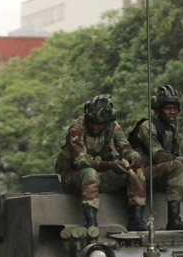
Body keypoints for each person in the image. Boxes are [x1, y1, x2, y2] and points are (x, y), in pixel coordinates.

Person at [55, 95, 148, 231]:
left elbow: (125, 147)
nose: (94, 126)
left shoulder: (113, 127)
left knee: (135, 169)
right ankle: (91, 222)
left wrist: (134, 156)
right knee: (90, 173)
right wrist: (109, 165)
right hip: (73, 177)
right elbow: (81, 162)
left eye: (100, 123)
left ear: (108, 121)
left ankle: (136, 218)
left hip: (101, 176)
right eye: (91, 121)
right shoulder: (76, 128)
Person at [128, 85, 183, 231]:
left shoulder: (172, 130)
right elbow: (159, 156)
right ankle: (174, 219)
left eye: (175, 108)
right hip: (142, 174)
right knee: (178, 165)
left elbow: (175, 156)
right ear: (158, 109)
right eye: (167, 108)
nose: (172, 112)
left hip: (163, 174)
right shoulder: (148, 125)